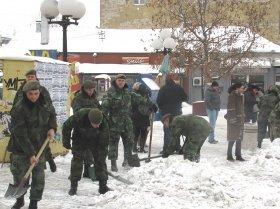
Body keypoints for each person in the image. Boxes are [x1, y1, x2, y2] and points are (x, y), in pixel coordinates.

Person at [7, 80, 57, 209]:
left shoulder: (45, 104)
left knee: (39, 178)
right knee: (20, 177)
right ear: (25, 94)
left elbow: (52, 115)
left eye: (36, 93)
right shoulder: (19, 109)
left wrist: (52, 128)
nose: (34, 97)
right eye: (30, 94)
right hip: (21, 149)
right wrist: (30, 154)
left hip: (40, 146)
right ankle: (20, 200)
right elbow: (20, 134)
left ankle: (34, 203)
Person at [12, 69, 57, 173]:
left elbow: (51, 110)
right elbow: (15, 106)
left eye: (32, 77)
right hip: (24, 124)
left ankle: (49, 160)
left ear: (36, 77)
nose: (34, 96)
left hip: (40, 126)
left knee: (44, 146)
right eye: (28, 77)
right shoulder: (21, 92)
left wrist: (52, 127)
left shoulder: (43, 91)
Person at [101, 74, 146, 172]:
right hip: (114, 122)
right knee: (113, 143)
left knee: (129, 142)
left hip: (127, 122)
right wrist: (103, 122)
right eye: (119, 80)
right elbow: (104, 108)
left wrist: (149, 102)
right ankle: (113, 163)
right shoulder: (110, 92)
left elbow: (138, 98)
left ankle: (126, 160)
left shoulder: (127, 92)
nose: (121, 82)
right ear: (116, 81)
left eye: (123, 81)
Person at [62, 108, 110, 195]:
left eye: (99, 124)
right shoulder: (79, 116)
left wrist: (101, 157)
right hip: (79, 138)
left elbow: (104, 142)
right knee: (77, 161)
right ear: (89, 120)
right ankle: (73, 187)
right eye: (95, 124)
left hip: (95, 140)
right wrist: (66, 142)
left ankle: (103, 187)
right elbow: (66, 126)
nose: (98, 126)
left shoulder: (104, 123)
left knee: (101, 161)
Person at [71, 80, 100, 178]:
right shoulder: (78, 98)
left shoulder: (94, 98)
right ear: (84, 89)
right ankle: (74, 175)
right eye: (89, 90)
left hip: (92, 129)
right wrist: (90, 113)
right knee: (78, 155)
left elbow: (99, 109)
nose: (91, 91)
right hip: (80, 129)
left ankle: (87, 172)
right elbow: (77, 112)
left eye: (92, 89)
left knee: (90, 152)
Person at [156, 74, 188, 154]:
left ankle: (167, 149)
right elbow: (185, 98)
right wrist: (178, 101)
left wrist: (162, 108)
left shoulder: (163, 89)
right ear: (173, 80)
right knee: (176, 130)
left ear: (166, 80)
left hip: (166, 114)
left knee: (167, 131)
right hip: (177, 112)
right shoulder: (179, 88)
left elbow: (158, 101)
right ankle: (177, 147)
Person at [131, 82, 158, 153]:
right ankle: (141, 148)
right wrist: (153, 108)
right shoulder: (144, 95)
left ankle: (134, 148)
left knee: (136, 133)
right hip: (143, 116)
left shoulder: (133, 94)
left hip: (135, 116)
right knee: (143, 132)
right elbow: (151, 104)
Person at [226, 82, 245, 162]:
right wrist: (233, 119)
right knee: (232, 138)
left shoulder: (240, 95)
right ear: (237, 88)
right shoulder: (233, 95)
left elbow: (240, 107)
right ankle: (229, 155)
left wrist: (243, 115)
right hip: (234, 120)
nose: (243, 89)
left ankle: (238, 155)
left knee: (239, 138)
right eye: (242, 88)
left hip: (240, 120)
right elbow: (231, 108)